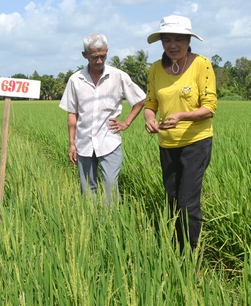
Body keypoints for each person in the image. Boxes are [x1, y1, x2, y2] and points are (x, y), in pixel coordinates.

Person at [144, 15, 217, 251]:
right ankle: (176, 247)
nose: (173, 45)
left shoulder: (201, 64)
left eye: (179, 39)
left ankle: (191, 254)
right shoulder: (155, 68)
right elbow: (150, 102)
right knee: (172, 199)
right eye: (167, 40)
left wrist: (181, 116)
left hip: (196, 142)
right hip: (167, 144)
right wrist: (150, 119)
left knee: (187, 202)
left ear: (188, 41)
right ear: (161, 43)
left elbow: (209, 108)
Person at [59, 33, 145, 204]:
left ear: (107, 52)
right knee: (87, 190)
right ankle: (90, 223)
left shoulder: (118, 76)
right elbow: (72, 113)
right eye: (94, 57)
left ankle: (110, 225)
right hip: (83, 143)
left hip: (109, 141)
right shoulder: (75, 80)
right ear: (85, 55)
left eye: (103, 56)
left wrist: (126, 122)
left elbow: (140, 100)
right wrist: (71, 144)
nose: (99, 61)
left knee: (111, 188)